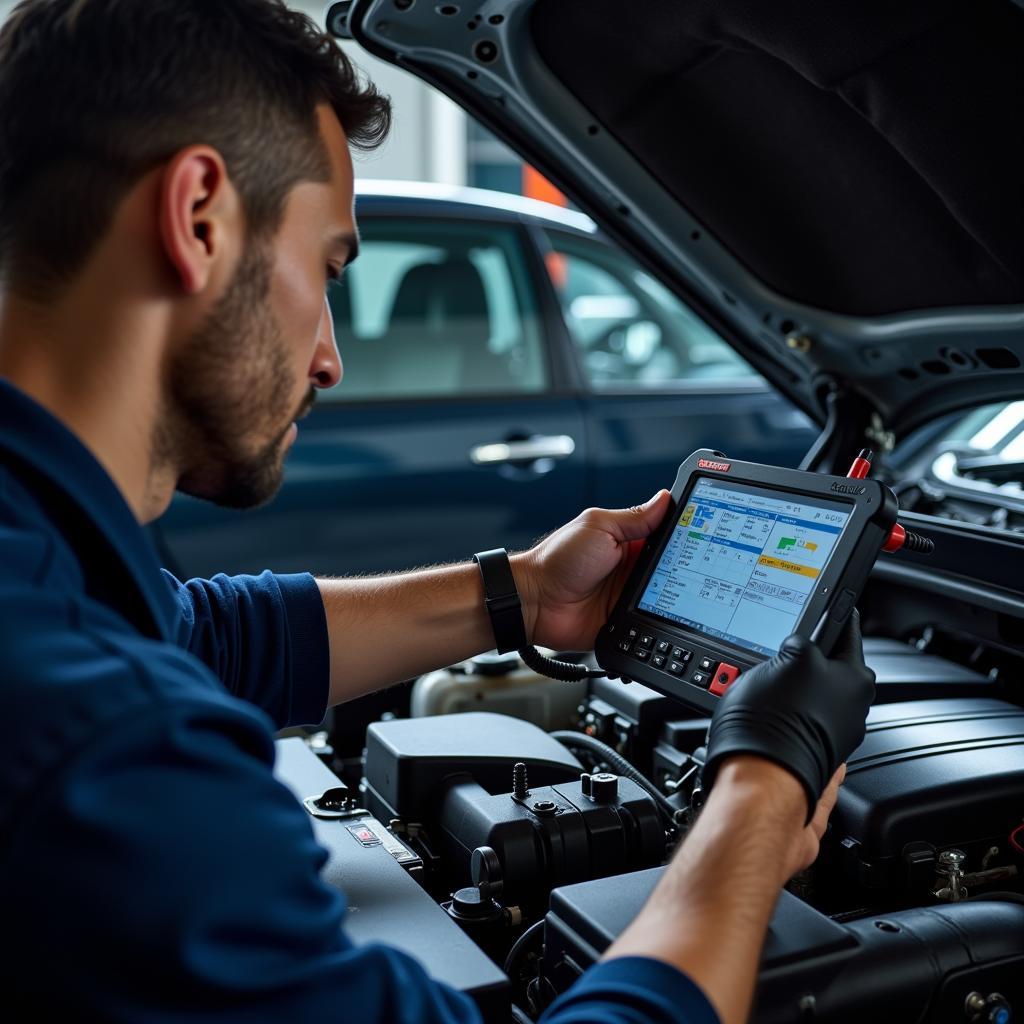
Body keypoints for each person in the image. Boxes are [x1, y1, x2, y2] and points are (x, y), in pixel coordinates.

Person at [0, 1, 875, 1022]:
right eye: (327, 269)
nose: (329, 356)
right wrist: (757, 804)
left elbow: (192, 630)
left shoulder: (36, 560)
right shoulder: (97, 752)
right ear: (199, 216)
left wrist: (522, 596)